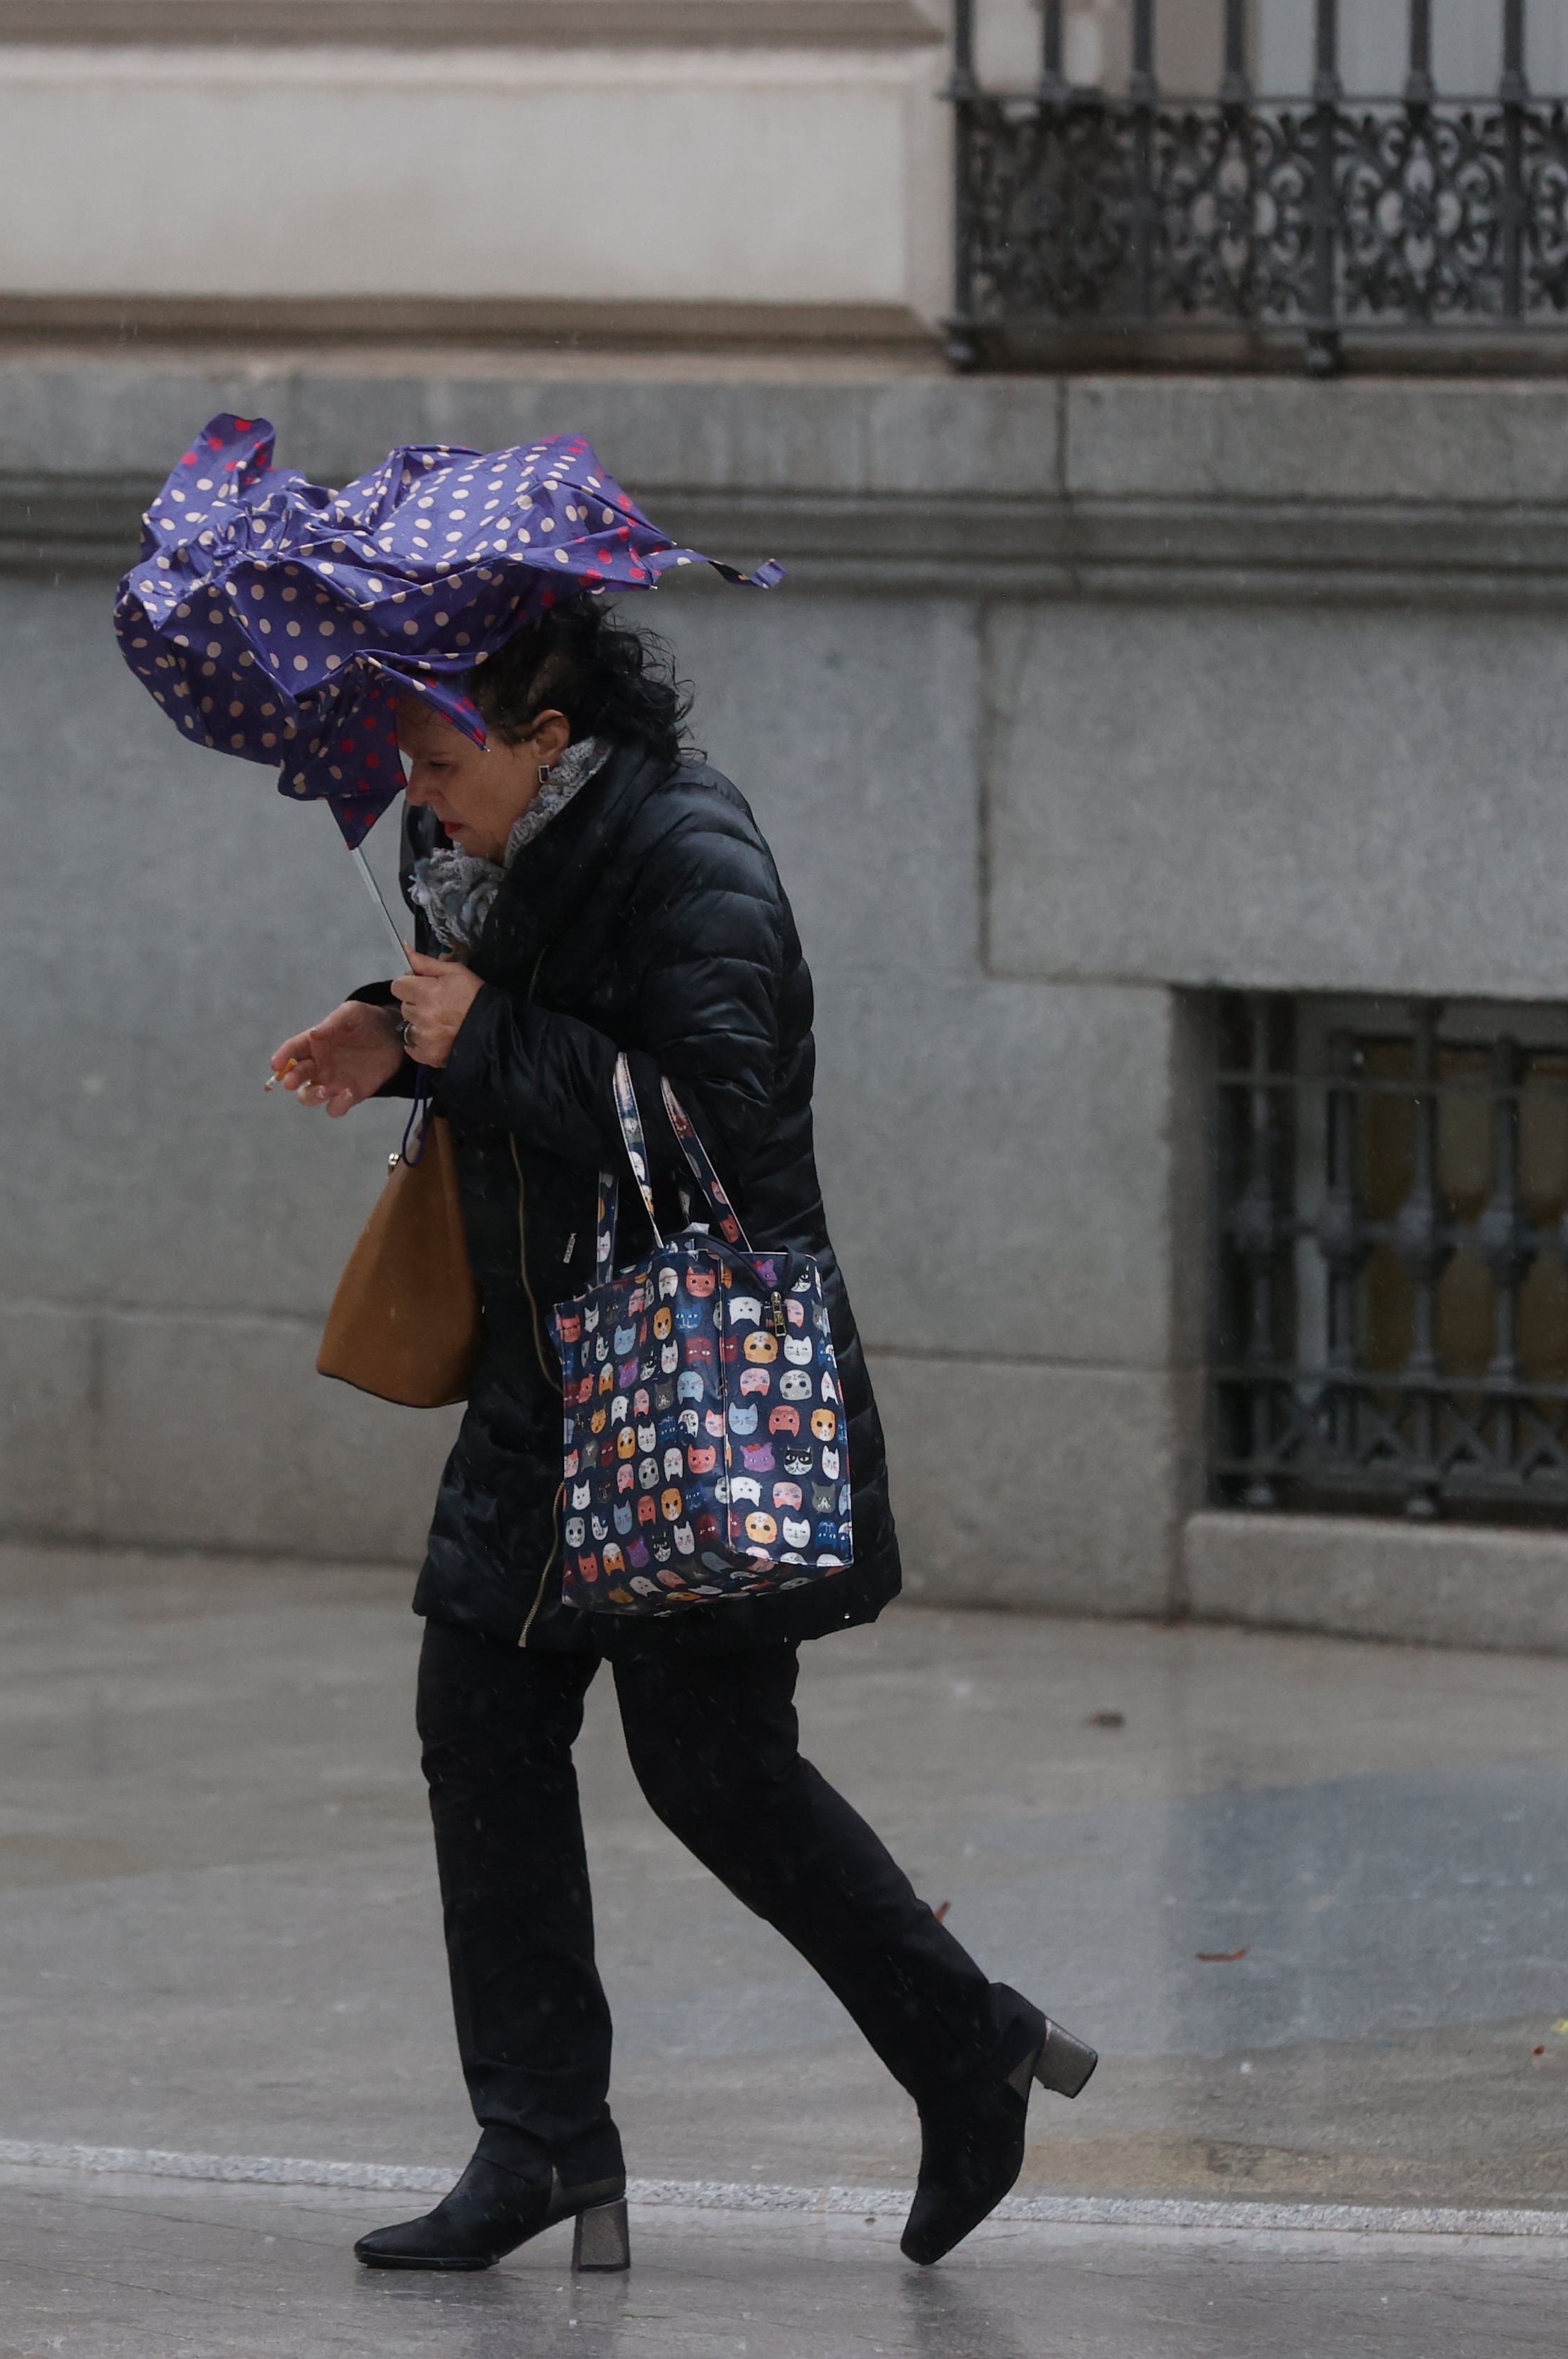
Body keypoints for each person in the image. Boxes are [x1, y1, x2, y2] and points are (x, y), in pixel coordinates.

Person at [268, 595, 1093, 2275]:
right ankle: (543, 2140)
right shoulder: (498, 864)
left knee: (713, 1764)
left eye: (442, 760)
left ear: (545, 740)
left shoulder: (693, 851)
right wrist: (399, 1033)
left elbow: (716, 1123)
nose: (421, 797)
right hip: (544, 1379)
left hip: (683, 1386)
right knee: (479, 1729)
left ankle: (967, 2047)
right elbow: (543, 1040)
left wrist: (479, 1039)